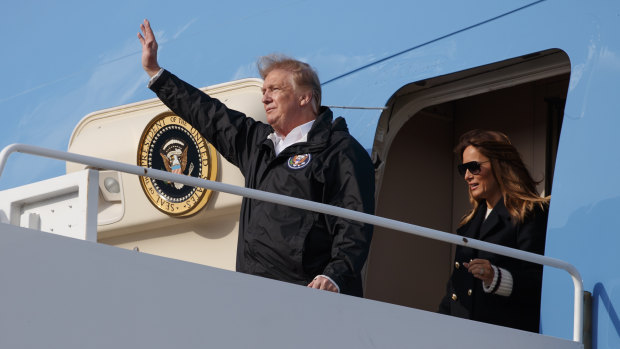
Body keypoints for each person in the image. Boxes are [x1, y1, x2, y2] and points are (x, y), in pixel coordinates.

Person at [138, 19, 374, 296]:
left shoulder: (339, 149)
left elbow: (354, 220)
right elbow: (209, 114)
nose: (265, 98)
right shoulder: (257, 144)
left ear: (305, 97)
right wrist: (156, 73)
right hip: (252, 296)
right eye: (263, 91)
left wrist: (335, 276)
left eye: (275, 89)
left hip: (310, 296)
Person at [438, 129, 550, 332]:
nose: (467, 176)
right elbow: (455, 289)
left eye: (473, 167)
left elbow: (543, 281)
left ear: (500, 165)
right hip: (463, 334)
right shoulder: (469, 224)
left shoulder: (531, 213)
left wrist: (497, 277)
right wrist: (437, 327)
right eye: (463, 169)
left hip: (504, 335)